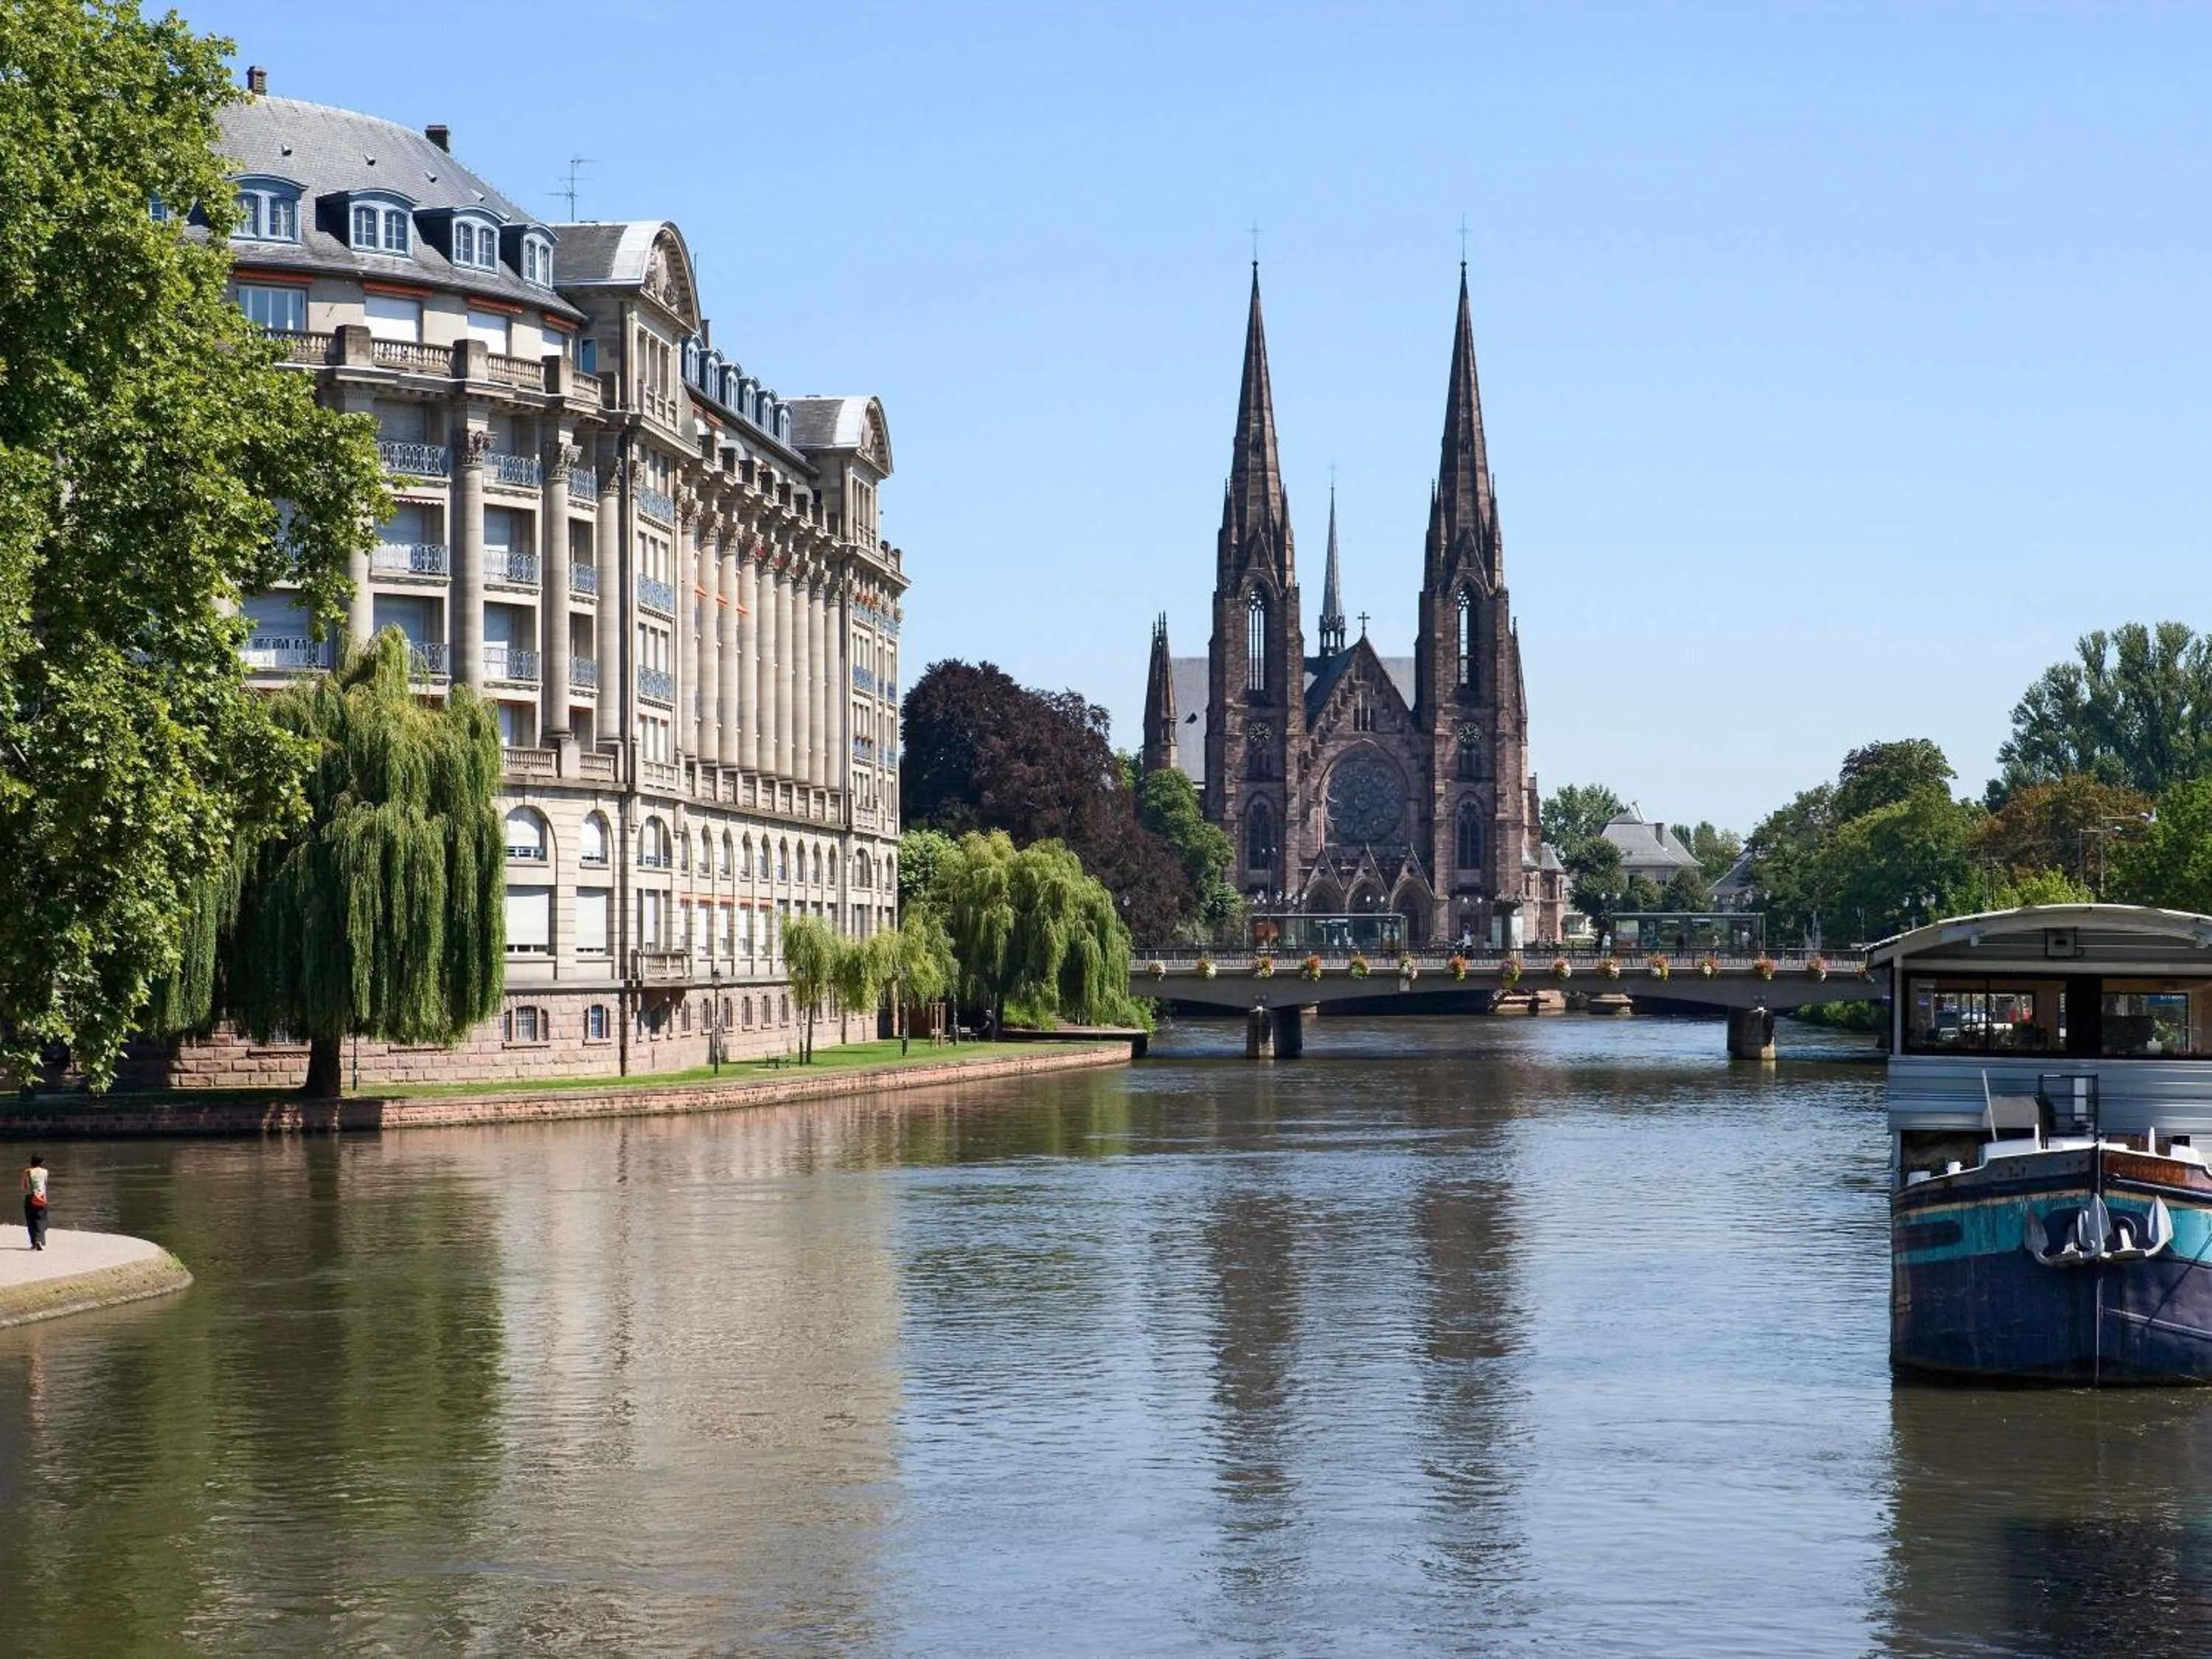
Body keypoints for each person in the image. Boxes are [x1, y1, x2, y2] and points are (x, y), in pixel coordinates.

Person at [21, 1154, 49, 1251]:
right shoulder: (45, 1172)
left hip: (31, 1198)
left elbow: (24, 1187)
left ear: (31, 1162)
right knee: (41, 1220)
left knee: (31, 1220)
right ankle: (40, 1240)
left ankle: (34, 1242)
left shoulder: (27, 1171)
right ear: (41, 1162)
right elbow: (45, 1185)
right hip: (42, 1198)